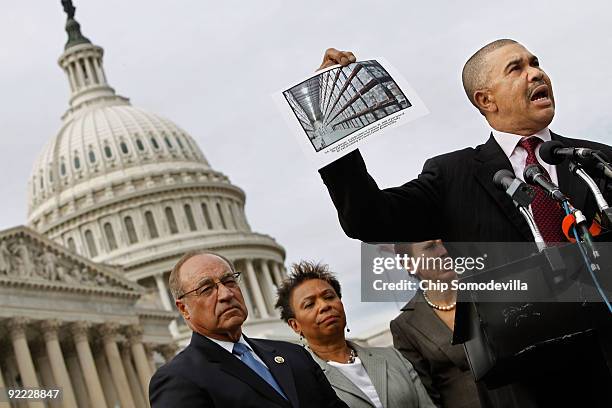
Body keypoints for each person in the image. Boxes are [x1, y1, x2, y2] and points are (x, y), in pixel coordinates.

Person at [315, 41, 612, 406]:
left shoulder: (597, 160)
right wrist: (332, 135)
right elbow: (368, 219)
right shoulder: (452, 177)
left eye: (535, 63)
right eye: (516, 68)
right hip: (527, 386)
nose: (536, 72)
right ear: (486, 100)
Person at [148, 251, 349, 408]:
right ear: (184, 309)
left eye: (229, 281)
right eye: (207, 289)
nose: (226, 294)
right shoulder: (179, 379)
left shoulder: (293, 354)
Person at [275, 260, 435, 408]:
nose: (324, 306)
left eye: (329, 297)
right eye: (310, 304)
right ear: (295, 325)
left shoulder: (393, 358)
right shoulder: (300, 380)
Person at [391, 240, 480, 408]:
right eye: (430, 247)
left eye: (444, 243)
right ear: (410, 264)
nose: (443, 251)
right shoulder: (405, 326)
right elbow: (425, 396)